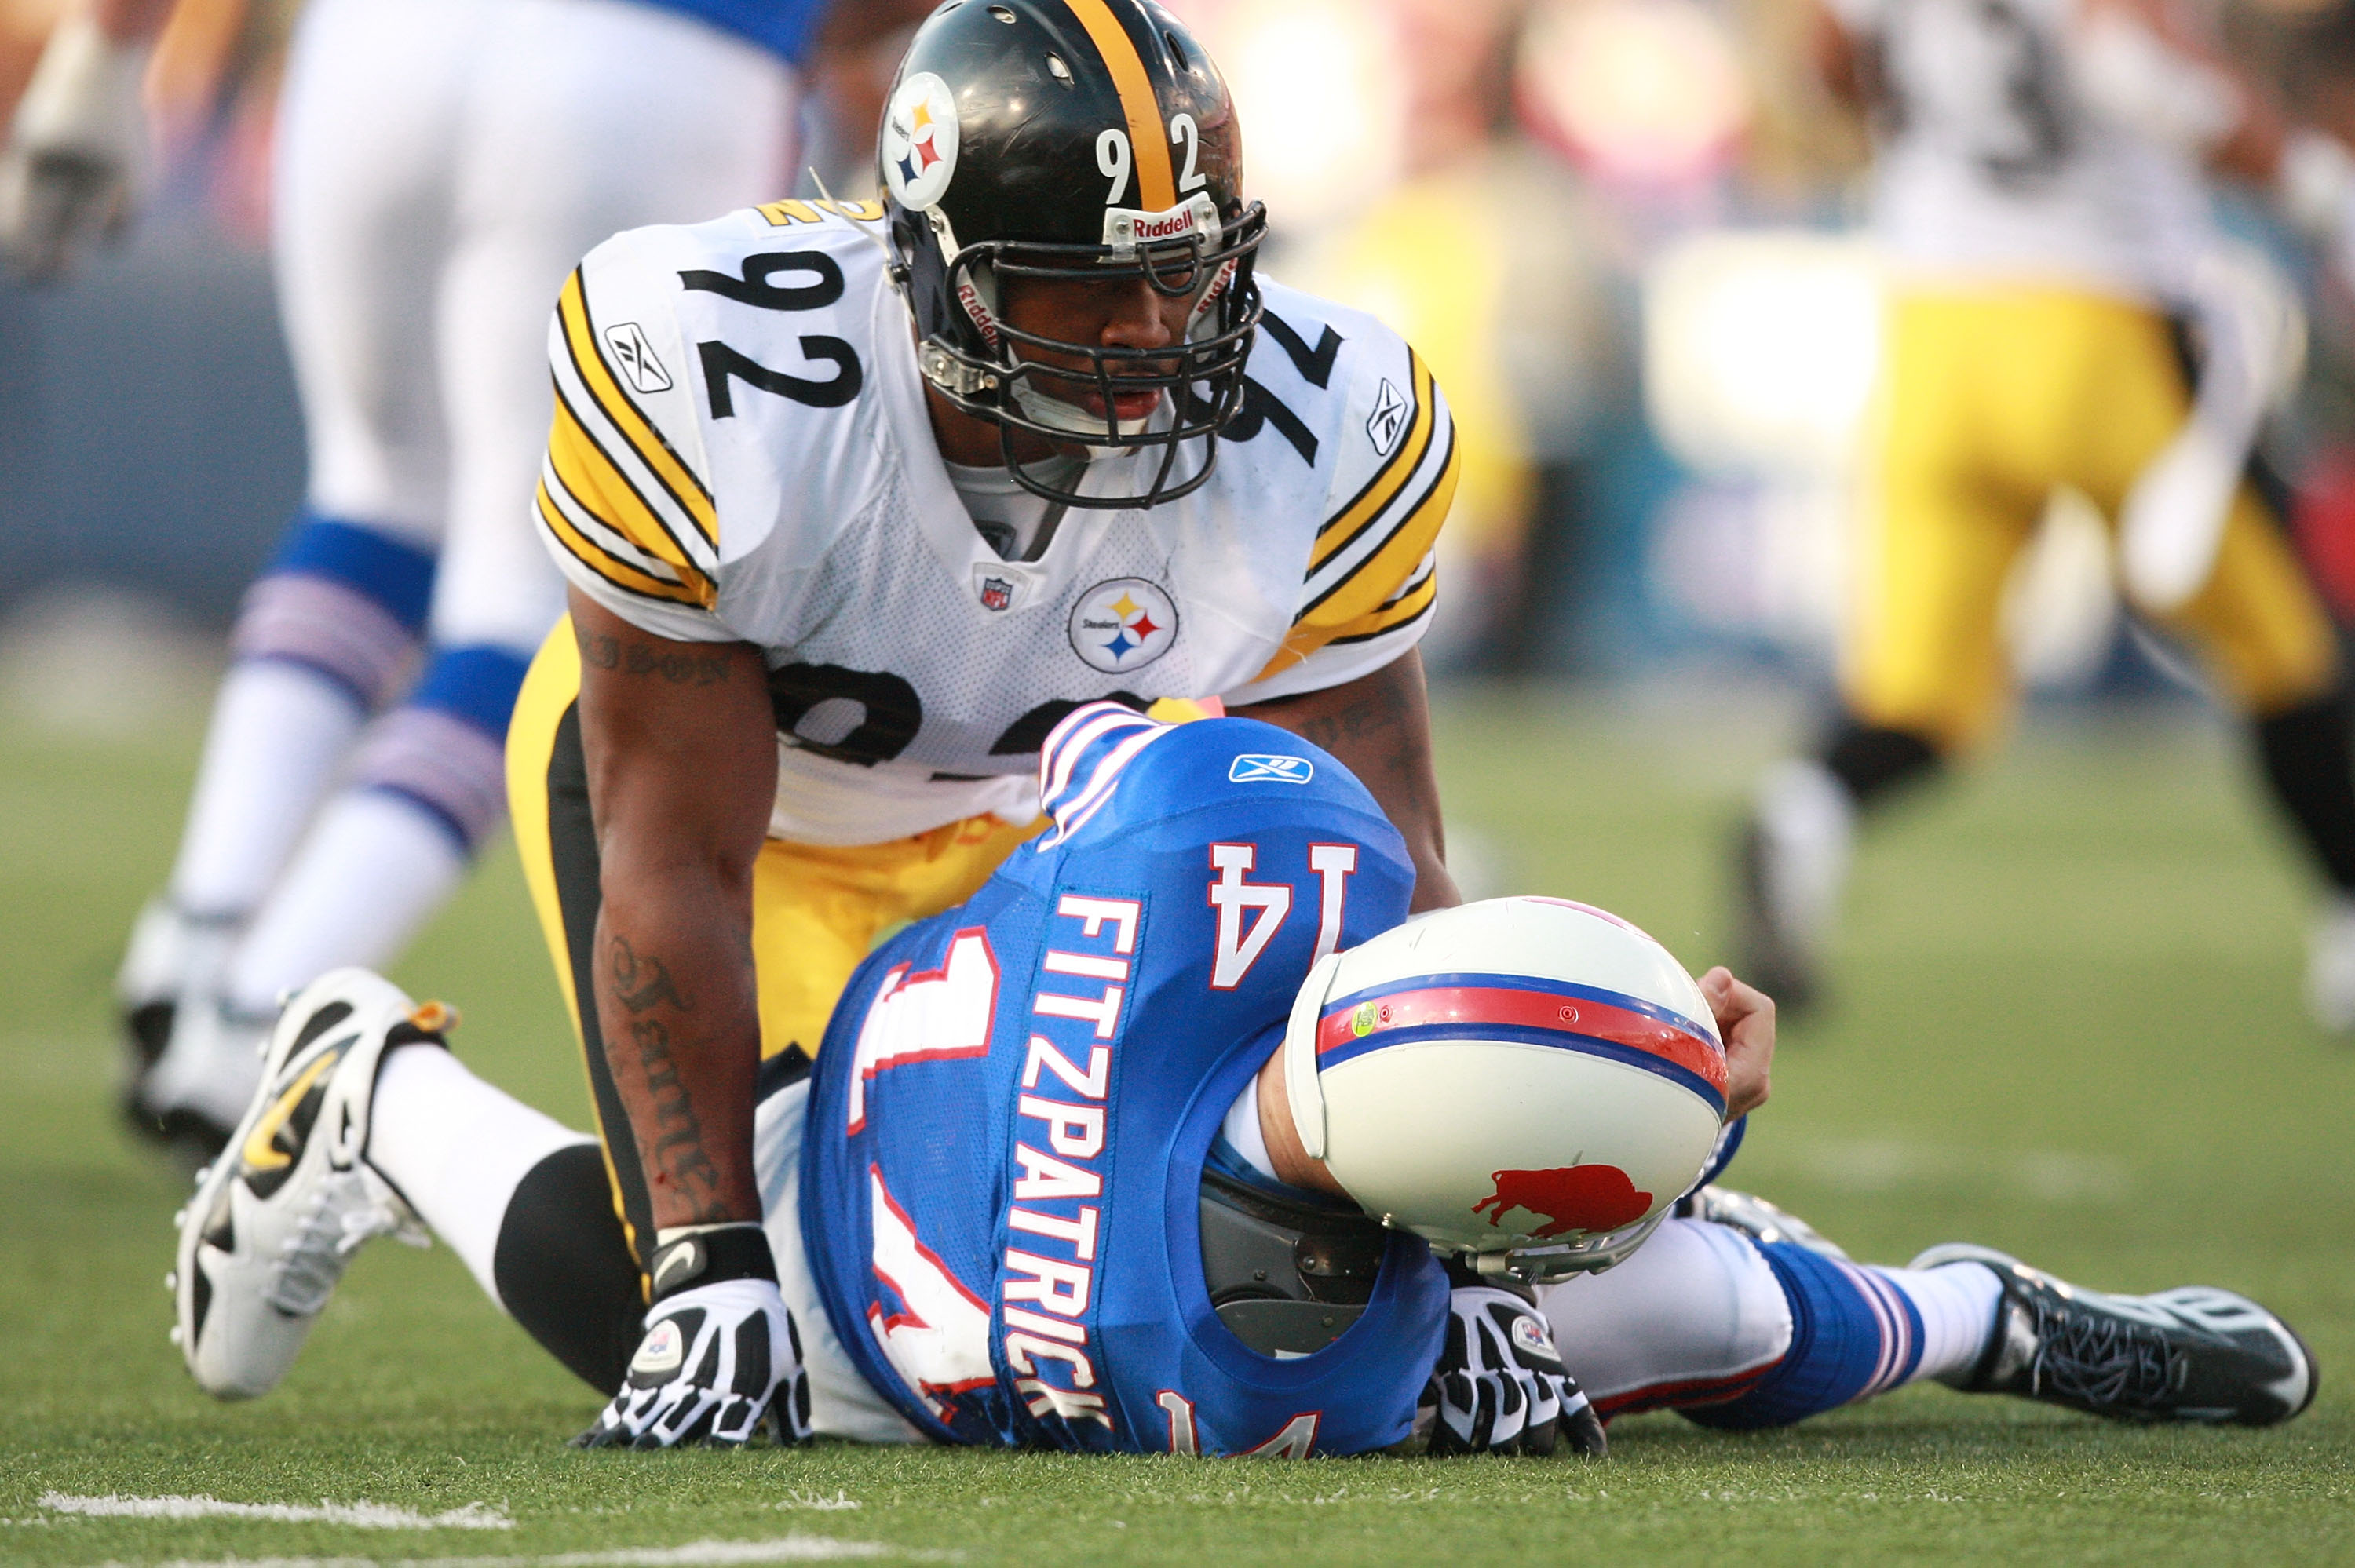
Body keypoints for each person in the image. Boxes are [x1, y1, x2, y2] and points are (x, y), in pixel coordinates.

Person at [170, 705, 2317, 1453]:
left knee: (664, 1287)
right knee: (1720, 1307)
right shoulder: (1297, 1367)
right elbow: (1461, 1290)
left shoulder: (1251, 841)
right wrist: (1690, 1134)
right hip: (874, 1245)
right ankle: (1986, 1310)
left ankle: (372, 1085)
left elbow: (1099, 764)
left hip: (898, 1118)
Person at [499, 0, 1467, 1334]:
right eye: (1086, 275)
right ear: (936, 260)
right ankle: (369, 1095)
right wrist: (708, 1255)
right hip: (755, 813)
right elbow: (675, 860)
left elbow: (1380, 870)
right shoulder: (725, 383)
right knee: (775, 1306)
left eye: (1183, 270)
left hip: (1039, 829)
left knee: (1121, 1274)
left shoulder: (1325, 427)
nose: (1147, 328)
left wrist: (1468, 1252)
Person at [0, 0, 842, 1151]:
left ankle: (198, 931)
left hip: (379, 45)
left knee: (372, 494)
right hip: (661, 68)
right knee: (526, 589)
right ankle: (260, 1011)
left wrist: (110, 47)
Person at [1738, 0, 2355, 1023]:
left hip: (1936, 334)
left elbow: (1832, 58)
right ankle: (2349, 917)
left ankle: (1801, 818)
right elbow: (2135, 64)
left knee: (1922, 693)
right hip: (2101, 326)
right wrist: (2313, 183)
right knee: (2283, 647)